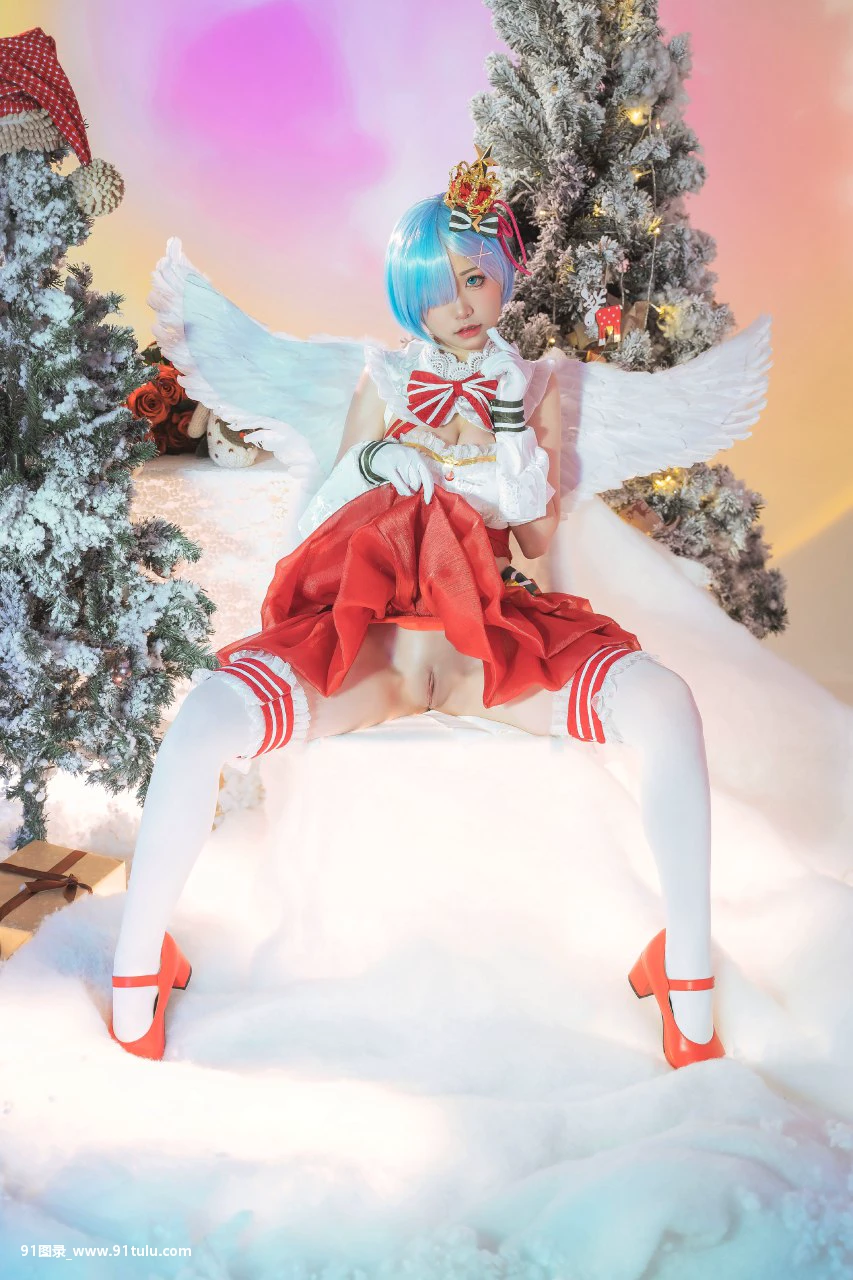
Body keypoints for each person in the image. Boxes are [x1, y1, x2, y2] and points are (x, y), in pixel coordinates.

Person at [109, 147, 745, 1068]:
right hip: (376, 637)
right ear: (409, 297)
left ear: (503, 278)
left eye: (475, 277)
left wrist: (509, 438)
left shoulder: (533, 386)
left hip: (488, 633)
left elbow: (534, 538)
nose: (459, 303)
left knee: (663, 702)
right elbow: (320, 515)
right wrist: (379, 460)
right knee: (206, 718)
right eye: (436, 287)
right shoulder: (383, 376)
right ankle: (136, 978)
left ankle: (687, 983)